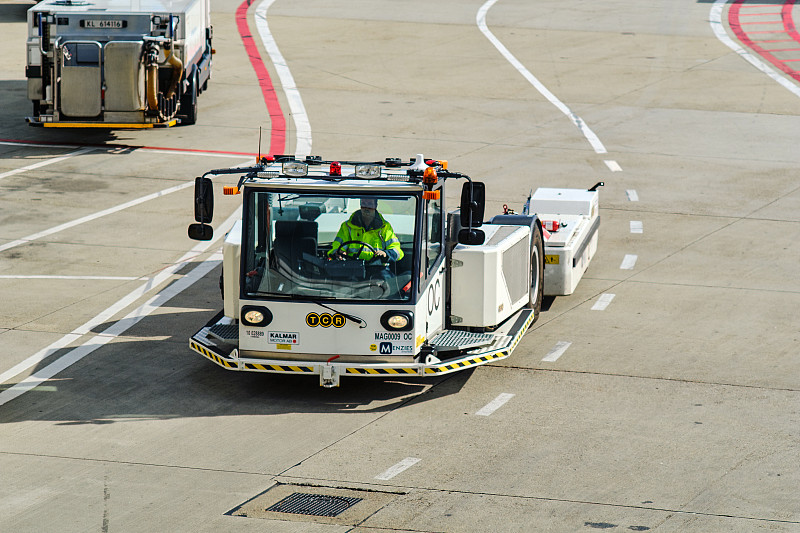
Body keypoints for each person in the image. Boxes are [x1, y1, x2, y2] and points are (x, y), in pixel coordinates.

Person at [328, 198, 404, 265]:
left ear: (375, 206)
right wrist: (339, 253)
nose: (367, 208)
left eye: (370, 204)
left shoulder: (385, 227)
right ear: (360, 205)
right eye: (364, 204)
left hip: (378, 269)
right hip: (352, 267)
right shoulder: (347, 226)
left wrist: (386, 254)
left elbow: (397, 250)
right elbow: (337, 246)